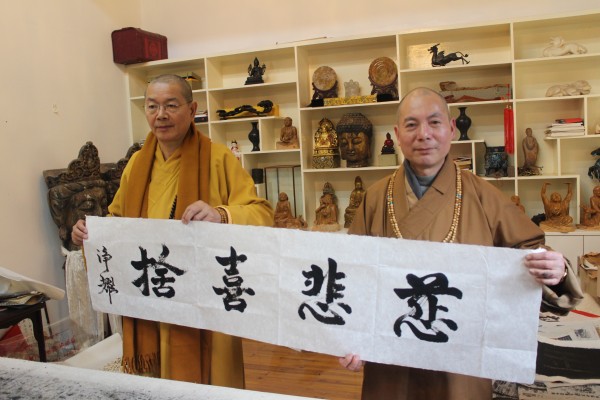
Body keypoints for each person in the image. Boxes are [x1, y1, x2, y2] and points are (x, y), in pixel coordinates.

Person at [338, 87, 583, 400]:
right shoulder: (375, 198)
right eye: (411, 125)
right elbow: (352, 275)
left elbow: (529, 251)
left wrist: (555, 269)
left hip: (460, 354)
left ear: (452, 129)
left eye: (434, 122)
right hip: (391, 356)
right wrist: (350, 338)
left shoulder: (483, 194)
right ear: (397, 135)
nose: (423, 134)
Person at [71, 74, 273, 387]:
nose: (161, 115)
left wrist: (222, 214)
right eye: (152, 106)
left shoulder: (218, 158)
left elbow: (262, 213)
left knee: (212, 382)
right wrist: (88, 234)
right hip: (152, 291)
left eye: (171, 105)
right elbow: (116, 221)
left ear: (192, 110)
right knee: (154, 382)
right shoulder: (136, 164)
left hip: (205, 297)